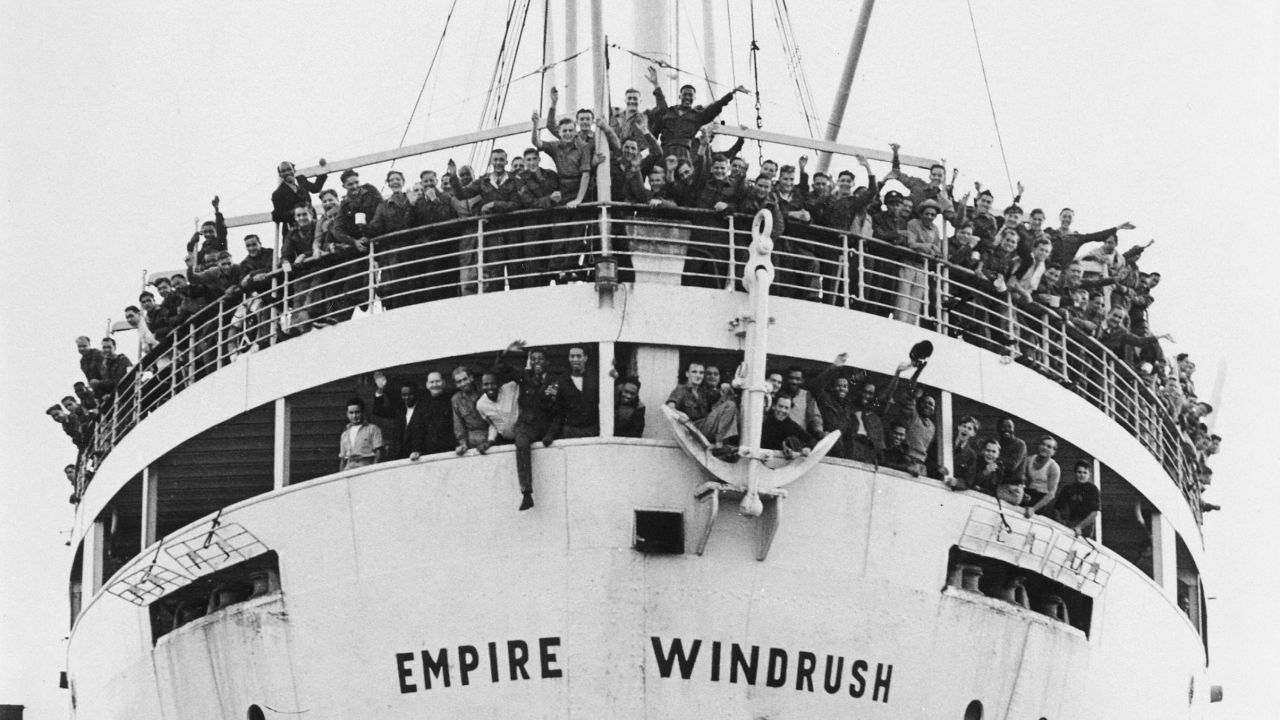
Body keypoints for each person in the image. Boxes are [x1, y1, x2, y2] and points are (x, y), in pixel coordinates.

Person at [649, 82, 749, 160]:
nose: (687, 97)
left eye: (690, 95)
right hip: (665, 152)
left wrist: (733, 92)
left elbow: (716, 106)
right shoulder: (668, 112)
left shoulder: (698, 116)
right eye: (685, 94)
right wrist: (656, 84)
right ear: (680, 96)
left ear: (694, 98)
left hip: (684, 155)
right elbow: (661, 103)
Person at [666, 361, 740, 460]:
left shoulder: (702, 391)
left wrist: (725, 387)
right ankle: (719, 444)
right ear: (687, 374)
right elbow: (669, 407)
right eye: (694, 372)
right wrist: (680, 416)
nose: (698, 375)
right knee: (729, 405)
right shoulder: (681, 390)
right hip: (693, 429)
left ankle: (722, 444)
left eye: (701, 373)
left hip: (703, 428)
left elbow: (717, 394)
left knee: (730, 404)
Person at [371, 374, 430, 461]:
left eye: (410, 394)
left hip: (416, 457)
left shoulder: (424, 410)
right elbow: (378, 411)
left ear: (416, 394)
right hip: (397, 457)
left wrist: (419, 452)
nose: (407, 398)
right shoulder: (399, 410)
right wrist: (380, 390)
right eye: (404, 395)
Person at [549, 346, 599, 439]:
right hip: (570, 431)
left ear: (585, 358)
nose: (575, 359)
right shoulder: (562, 381)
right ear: (569, 358)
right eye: (572, 356)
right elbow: (558, 410)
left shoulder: (595, 380)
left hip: (592, 431)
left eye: (579, 356)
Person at [271, 160, 328, 233]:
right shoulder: (277, 194)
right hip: (295, 229)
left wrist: (323, 170)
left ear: (294, 170)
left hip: (312, 222)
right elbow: (278, 216)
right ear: (280, 174)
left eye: (289, 169)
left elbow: (315, 188)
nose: (287, 173)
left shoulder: (301, 180)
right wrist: (295, 211)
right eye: (283, 171)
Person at [1053, 460, 1100, 537]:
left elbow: (1094, 513)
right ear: (1074, 473)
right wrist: (1059, 521)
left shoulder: (1093, 489)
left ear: (1089, 475)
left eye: (1085, 473)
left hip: (1085, 527)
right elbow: (1057, 507)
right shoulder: (1068, 488)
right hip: (1071, 523)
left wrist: (1079, 527)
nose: (1082, 475)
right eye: (1079, 472)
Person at [451, 366, 490, 454]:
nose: (463, 383)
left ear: (471, 378)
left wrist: (491, 440)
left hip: (490, 437)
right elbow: (458, 425)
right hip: (472, 440)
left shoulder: (484, 391)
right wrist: (463, 443)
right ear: (456, 385)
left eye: (465, 379)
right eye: (459, 382)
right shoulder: (456, 399)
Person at [1021, 435, 1062, 518]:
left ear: (1053, 452)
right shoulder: (1029, 460)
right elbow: (1021, 478)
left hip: (1042, 498)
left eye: (1049, 447)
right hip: (1027, 493)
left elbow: (1051, 494)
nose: (1045, 448)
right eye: (1043, 444)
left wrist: (1033, 509)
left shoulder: (1053, 467)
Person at [339, 398, 384, 471]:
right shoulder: (345, 434)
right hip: (349, 468)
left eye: (357, 412)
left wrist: (374, 469)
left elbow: (379, 451)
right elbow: (343, 458)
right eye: (351, 413)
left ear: (363, 412)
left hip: (365, 467)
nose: (354, 416)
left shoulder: (372, 429)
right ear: (347, 414)